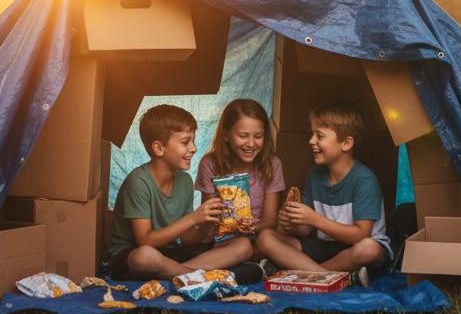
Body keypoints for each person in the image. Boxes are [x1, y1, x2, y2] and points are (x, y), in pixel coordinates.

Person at [106, 104, 261, 284]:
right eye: (185, 142)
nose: (194, 148)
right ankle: (200, 278)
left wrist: (206, 222)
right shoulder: (138, 182)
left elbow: (187, 240)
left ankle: (180, 275)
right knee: (145, 256)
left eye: (193, 141)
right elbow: (145, 241)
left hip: (171, 254)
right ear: (158, 148)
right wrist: (194, 218)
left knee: (242, 246)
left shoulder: (185, 181)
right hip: (132, 256)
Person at [256, 101, 393, 287]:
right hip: (326, 248)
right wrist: (292, 223)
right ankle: (329, 276)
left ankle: (301, 272)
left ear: (346, 143)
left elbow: (361, 236)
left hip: (357, 248)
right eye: (313, 134)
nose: (311, 140)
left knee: (368, 249)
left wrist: (313, 219)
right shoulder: (315, 175)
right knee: (265, 237)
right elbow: (305, 231)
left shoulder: (365, 181)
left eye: (319, 136)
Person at [194, 99, 285, 259]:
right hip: (222, 243)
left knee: (265, 244)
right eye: (243, 136)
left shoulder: (272, 164)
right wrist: (232, 226)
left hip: (258, 239)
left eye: (258, 136)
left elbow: (270, 221)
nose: (251, 144)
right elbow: (208, 218)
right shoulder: (209, 164)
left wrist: (252, 227)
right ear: (226, 135)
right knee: (240, 248)